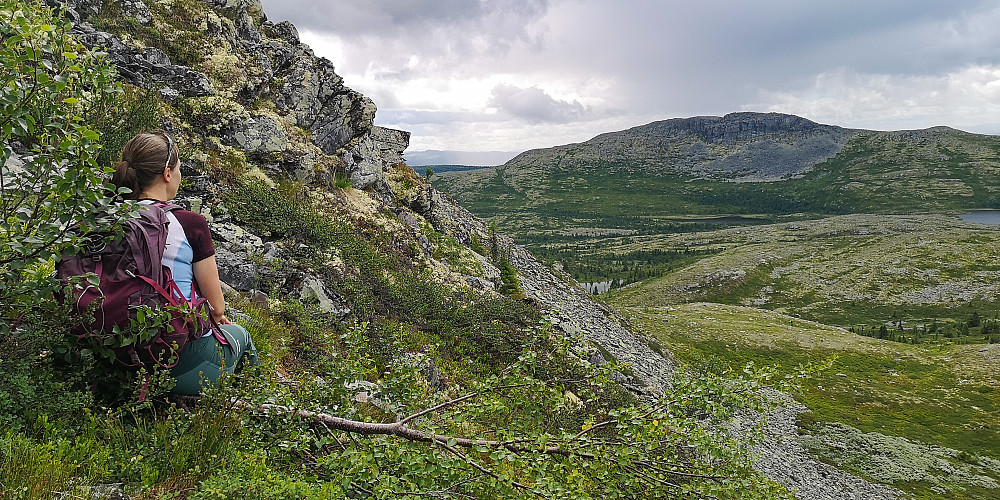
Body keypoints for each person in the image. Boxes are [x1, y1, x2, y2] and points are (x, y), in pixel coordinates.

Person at [111, 131, 258, 394]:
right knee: (242, 337)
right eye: (179, 168)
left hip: (111, 353)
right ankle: (240, 412)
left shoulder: (108, 216)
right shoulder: (189, 223)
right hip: (175, 360)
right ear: (167, 173)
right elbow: (216, 307)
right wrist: (217, 318)